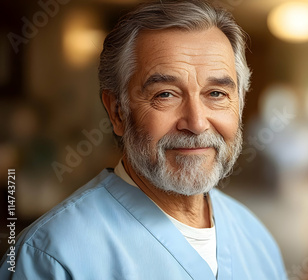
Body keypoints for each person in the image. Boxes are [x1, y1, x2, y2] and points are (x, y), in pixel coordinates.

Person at [0, 1, 287, 279]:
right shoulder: (54, 258)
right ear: (117, 113)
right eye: (166, 94)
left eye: (216, 94)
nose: (197, 123)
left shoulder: (255, 237)